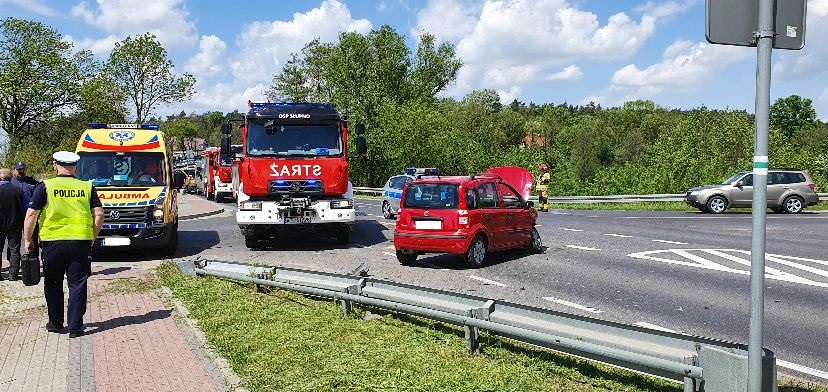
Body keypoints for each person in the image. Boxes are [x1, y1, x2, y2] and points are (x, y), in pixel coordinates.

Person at [23, 151, 105, 337]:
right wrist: (91, 236)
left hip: (53, 244)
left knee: (53, 283)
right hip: (80, 243)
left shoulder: (45, 186)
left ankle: (56, 323)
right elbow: (99, 214)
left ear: (56, 166)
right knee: (77, 285)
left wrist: (28, 240)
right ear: (75, 167)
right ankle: (75, 328)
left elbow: (31, 215)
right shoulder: (86, 187)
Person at [7, 162, 39, 280]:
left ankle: (33, 264)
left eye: (23, 169)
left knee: (32, 240)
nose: (21, 171)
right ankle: (13, 266)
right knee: (13, 242)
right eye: (18, 169)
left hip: (30, 215)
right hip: (15, 216)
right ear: (14, 169)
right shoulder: (10, 182)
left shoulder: (33, 182)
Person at [0, 168, 24, 281]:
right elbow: (26, 208)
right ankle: (13, 274)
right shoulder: (19, 191)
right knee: (15, 249)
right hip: (15, 223)